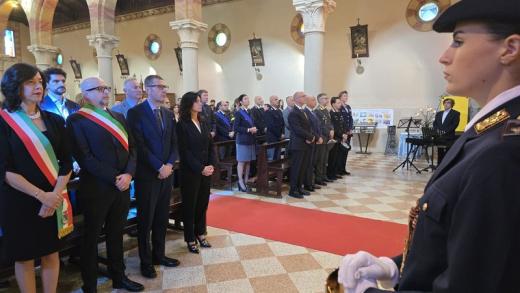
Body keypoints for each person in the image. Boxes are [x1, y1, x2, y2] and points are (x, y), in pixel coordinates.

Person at [337, 1, 520, 292]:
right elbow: (457, 252)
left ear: (509, 49)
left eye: (458, 42)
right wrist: (393, 267)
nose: (444, 57)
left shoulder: (503, 152)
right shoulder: (494, 129)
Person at [0, 63, 72, 293]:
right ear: (15, 86)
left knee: (52, 252)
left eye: (39, 82)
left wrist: (54, 195)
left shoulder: (54, 120)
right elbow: (5, 170)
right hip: (19, 199)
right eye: (30, 82)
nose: (37, 87)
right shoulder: (4, 121)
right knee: (25, 257)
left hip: (54, 197)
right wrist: (43, 196)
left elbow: (66, 163)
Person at [67, 77, 143, 292]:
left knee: (116, 234)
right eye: (98, 89)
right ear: (85, 95)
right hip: (97, 189)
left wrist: (128, 174)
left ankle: (119, 278)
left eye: (106, 88)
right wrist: (114, 178)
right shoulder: (77, 120)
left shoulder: (118, 116)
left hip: (123, 186)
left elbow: (133, 149)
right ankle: (90, 284)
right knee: (91, 239)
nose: (105, 92)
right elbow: (85, 157)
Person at [127, 75, 180, 279]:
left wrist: (168, 164)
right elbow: (139, 145)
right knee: (146, 220)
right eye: (159, 87)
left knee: (161, 218)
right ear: (148, 89)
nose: (164, 90)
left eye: (164, 86)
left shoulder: (167, 113)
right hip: (148, 174)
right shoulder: (136, 113)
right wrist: (158, 165)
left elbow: (174, 142)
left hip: (166, 173)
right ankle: (145, 261)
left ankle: (160, 255)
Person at [176, 91, 215, 254]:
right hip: (191, 171)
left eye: (200, 101)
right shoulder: (182, 124)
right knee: (190, 205)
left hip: (206, 169)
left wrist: (211, 165)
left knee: (202, 203)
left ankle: (200, 232)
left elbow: (210, 145)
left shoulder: (203, 121)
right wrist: (200, 168)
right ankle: (190, 237)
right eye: (197, 101)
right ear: (189, 104)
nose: (200, 103)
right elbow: (184, 152)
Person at [287, 91, 315, 198]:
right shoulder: (293, 113)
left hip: (305, 143)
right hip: (298, 144)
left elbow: (308, 126)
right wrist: (309, 137)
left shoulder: (302, 111)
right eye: (303, 96)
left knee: (303, 167)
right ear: (297, 99)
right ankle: (293, 190)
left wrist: (311, 137)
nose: (305, 97)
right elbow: (297, 129)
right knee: (296, 168)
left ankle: (299, 187)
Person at [233, 94, 257, 192]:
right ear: (241, 102)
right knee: (242, 161)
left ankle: (246, 181)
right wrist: (248, 129)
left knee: (248, 162)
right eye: (245, 99)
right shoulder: (239, 113)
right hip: (242, 140)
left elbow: (252, 123)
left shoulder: (249, 111)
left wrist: (254, 128)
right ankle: (240, 181)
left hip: (250, 139)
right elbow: (236, 128)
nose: (248, 100)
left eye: (248, 98)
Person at [314, 93, 334, 184]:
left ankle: (324, 175)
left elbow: (329, 122)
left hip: (327, 137)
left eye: (327, 98)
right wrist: (328, 132)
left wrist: (332, 130)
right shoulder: (317, 111)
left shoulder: (326, 110)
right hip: (322, 136)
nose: (327, 100)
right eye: (325, 98)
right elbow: (320, 125)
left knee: (325, 158)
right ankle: (318, 178)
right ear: (320, 100)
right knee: (320, 159)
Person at [303, 95, 322, 192]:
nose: (315, 102)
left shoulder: (313, 112)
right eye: (313, 100)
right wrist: (317, 137)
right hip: (311, 141)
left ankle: (312, 182)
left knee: (313, 162)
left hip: (316, 140)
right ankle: (308, 184)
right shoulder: (305, 112)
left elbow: (318, 126)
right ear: (307, 101)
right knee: (309, 164)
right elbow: (309, 128)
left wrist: (320, 136)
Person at [433, 98, 460, 163]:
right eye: (445, 102)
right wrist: (437, 131)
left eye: (448, 103)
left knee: (448, 154)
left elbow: (454, 125)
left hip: (448, 136)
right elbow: (435, 123)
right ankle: (439, 167)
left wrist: (445, 132)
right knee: (440, 153)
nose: (446, 104)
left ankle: (446, 167)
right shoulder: (439, 113)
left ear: (452, 104)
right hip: (439, 136)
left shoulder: (455, 113)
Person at [328, 97, 346, 180]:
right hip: (335, 137)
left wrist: (344, 134)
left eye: (340, 102)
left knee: (337, 157)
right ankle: (330, 174)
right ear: (333, 104)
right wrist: (341, 134)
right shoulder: (331, 113)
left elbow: (342, 125)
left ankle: (335, 172)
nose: (340, 104)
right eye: (338, 103)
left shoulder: (339, 112)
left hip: (340, 137)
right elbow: (334, 127)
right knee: (332, 157)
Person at [264, 95, 285, 160]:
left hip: (279, 137)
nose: (278, 101)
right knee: (271, 158)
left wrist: (283, 133)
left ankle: (276, 170)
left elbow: (282, 123)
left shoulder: (279, 111)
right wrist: (279, 134)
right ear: (271, 101)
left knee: (278, 158)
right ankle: (270, 170)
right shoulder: (268, 112)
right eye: (275, 99)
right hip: (272, 138)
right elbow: (271, 126)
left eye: (278, 99)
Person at [338, 90, 353, 175]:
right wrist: (344, 131)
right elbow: (341, 121)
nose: (346, 97)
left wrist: (350, 128)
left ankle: (343, 169)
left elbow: (350, 118)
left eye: (347, 96)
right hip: (343, 132)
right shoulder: (339, 107)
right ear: (340, 97)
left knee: (346, 150)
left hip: (348, 132)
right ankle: (339, 169)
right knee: (341, 151)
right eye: (344, 96)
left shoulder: (348, 107)